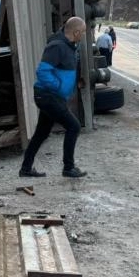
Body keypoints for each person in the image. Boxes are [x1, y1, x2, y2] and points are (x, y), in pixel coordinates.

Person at [19, 16, 88, 179]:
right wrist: (58, 87)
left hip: (51, 96)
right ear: (77, 32)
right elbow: (42, 71)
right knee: (74, 126)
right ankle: (68, 168)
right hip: (48, 96)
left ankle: (26, 169)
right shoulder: (57, 46)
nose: (84, 35)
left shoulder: (70, 46)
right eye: (83, 32)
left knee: (41, 133)